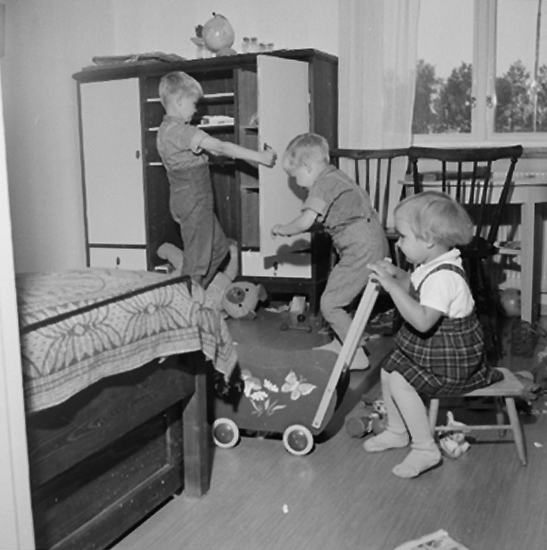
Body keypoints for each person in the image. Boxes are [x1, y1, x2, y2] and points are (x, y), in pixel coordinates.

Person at [366, 191, 503, 478]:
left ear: (428, 240)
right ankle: (397, 431)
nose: (398, 243)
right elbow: (415, 285)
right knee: (388, 371)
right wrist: (396, 274)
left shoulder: (444, 278)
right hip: (436, 354)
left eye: (403, 236)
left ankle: (425, 448)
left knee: (400, 381)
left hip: (453, 365)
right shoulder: (432, 265)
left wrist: (391, 287)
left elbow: (422, 321)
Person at [271, 133, 389, 370]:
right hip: (370, 243)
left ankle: (355, 353)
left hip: (361, 249)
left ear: (308, 166)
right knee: (338, 293)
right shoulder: (336, 177)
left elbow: (305, 222)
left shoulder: (323, 185)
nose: (297, 183)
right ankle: (343, 342)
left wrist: (283, 228)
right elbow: (324, 221)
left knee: (331, 304)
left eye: (296, 176)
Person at [157, 71, 277, 287]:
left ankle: (196, 290)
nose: (196, 110)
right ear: (180, 101)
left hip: (185, 197)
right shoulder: (182, 131)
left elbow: (184, 158)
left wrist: (211, 158)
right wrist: (260, 157)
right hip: (194, 198)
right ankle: (186, 298)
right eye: (194, 104)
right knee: (197, 261)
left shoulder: (166, 130)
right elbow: (221, 146)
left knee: (219, 249)